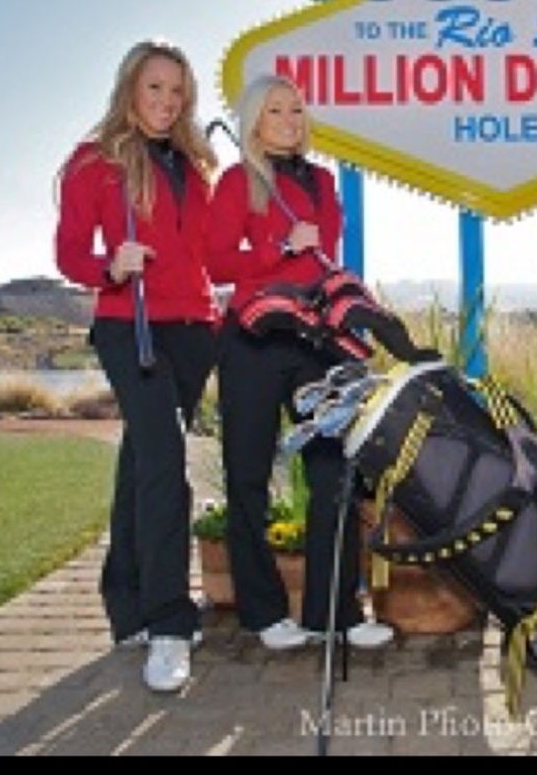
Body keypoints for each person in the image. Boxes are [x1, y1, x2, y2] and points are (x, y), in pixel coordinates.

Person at [206, 73, 394, 651]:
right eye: (275, 111)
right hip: (253, 340)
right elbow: (217, 263)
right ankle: (264, 614)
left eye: (296, 111)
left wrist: (302, 248)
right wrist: (276, 248)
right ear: (255, 122)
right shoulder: (238, 181)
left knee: (334, 473)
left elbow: (323, 255)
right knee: (248, 477)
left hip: (314, 341)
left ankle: (332, 612)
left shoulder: (321, 181)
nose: (289, 121)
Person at [54, 39, 220, 693]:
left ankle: (125, 605)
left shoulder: (195, 164)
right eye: (155, 88)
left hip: (195, 328)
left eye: (177, 91)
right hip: (133, 327)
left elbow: (212, 250)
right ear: (131, 89)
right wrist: (107, 266)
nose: (167, 101)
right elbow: (70, 251)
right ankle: (169, 621)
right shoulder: (94, 163)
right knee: (165, 464)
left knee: (142, 463)